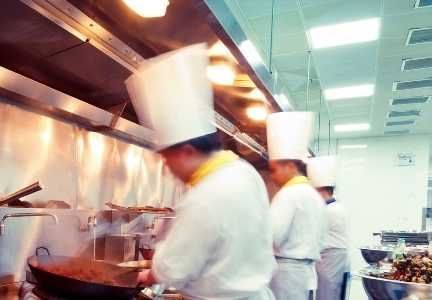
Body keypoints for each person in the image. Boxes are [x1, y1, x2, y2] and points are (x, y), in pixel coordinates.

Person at [129, 43, 276, 300]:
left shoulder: (206, 196)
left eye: (166, 157)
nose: (166, 167)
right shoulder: (243, 172)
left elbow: (173, 269)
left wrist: (151, 273)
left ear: (186, 151)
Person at [266, 112, 327, 300]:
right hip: (305, 273)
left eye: (274, 170)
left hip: (287, 274)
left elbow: (272, 236)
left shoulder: (288, 194)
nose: (272, 176)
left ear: (291, 166)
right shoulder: (313, 195)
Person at [308, 156, 350, 300]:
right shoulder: (335, 207)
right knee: (328, 293)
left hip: (330, 259)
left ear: (321, 191)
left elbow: (312, 237)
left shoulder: (330, 211)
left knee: (327, 295)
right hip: (331, 258)